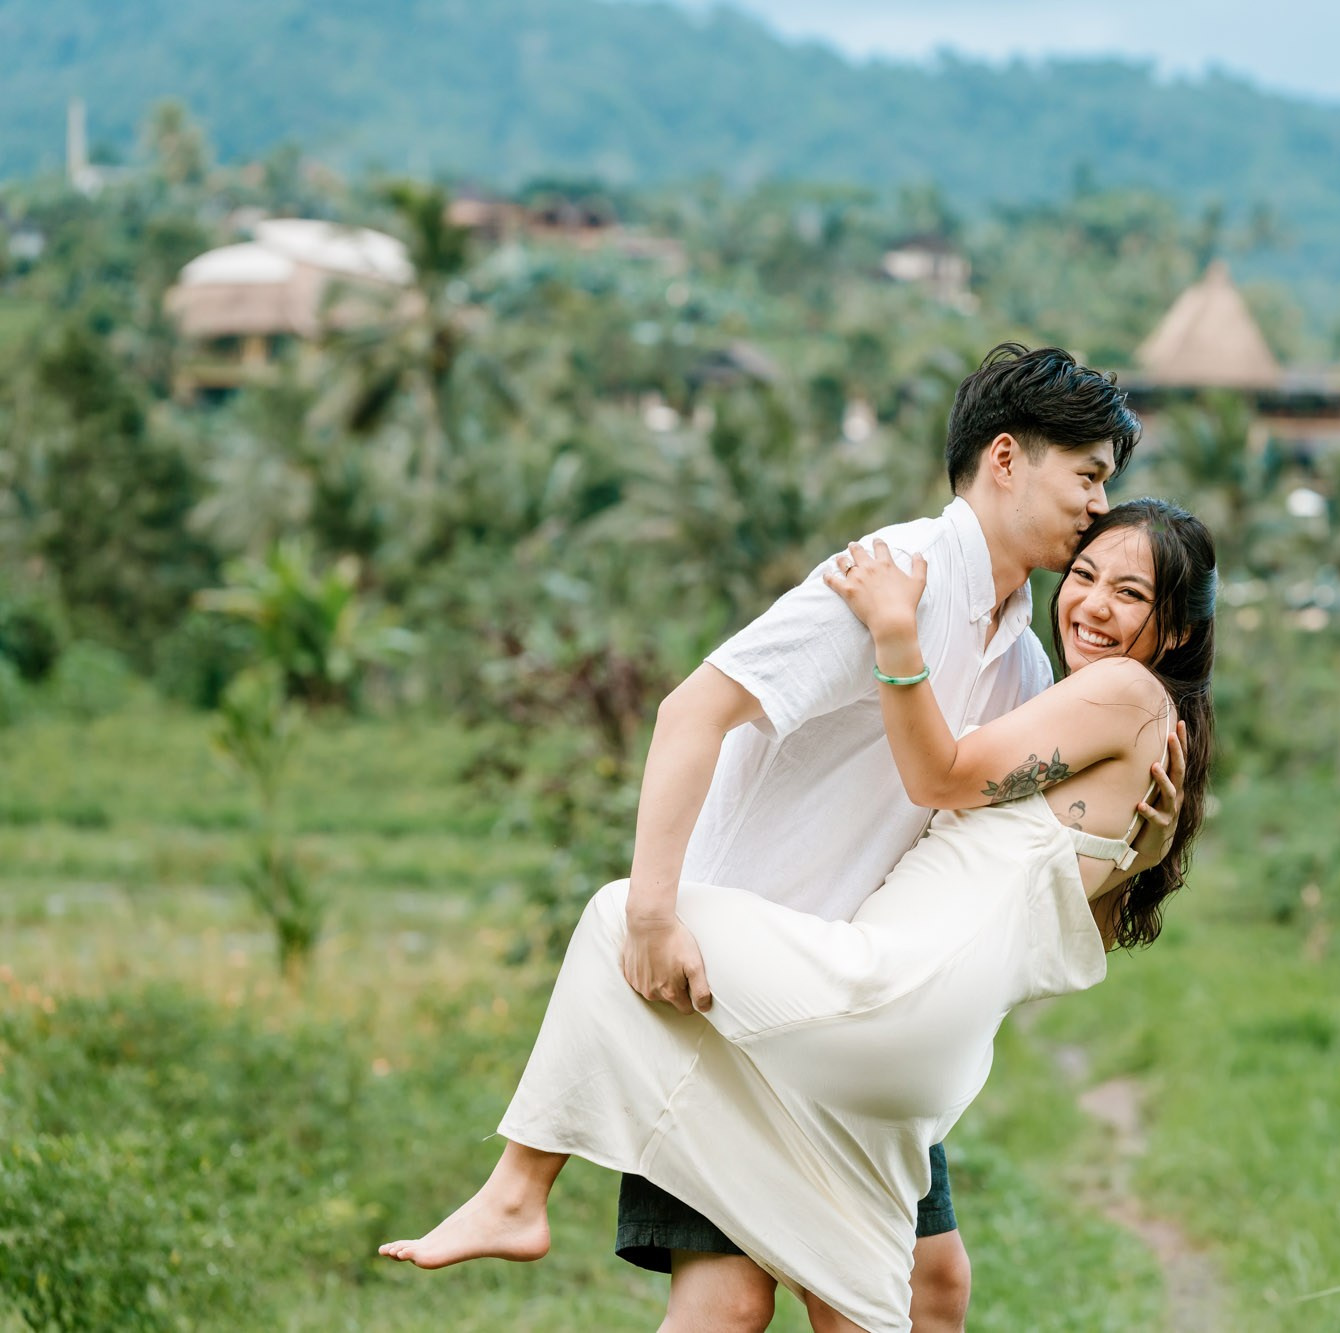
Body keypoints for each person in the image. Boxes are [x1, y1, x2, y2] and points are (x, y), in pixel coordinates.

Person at [389, 344, 1186, 1333]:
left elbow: (1016, 868)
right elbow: (691, 713)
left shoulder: (1026, 661)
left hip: (859, 994)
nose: (1099, 506)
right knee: (729, 1300)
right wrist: (651, 912)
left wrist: (1132, 852)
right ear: (1007, 458)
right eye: (1088, 476)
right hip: (729, 980)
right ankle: (516, 1190)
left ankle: (518, 1190)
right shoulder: (887, 577)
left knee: (922, 1287)